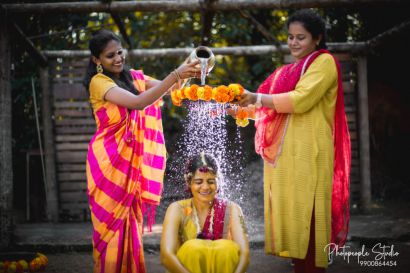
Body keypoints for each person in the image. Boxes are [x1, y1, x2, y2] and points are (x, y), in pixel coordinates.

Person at [237, 9, 351, 273]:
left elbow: (299, 101)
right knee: (293, 214)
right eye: (290, 37)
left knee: (310, 215)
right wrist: (236, 107)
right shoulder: (286, 71)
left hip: (311, 151)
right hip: (286, 156)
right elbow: (264, 105)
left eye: (301, 37)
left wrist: (254, 98)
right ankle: (301, 264)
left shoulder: (324, 63)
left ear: (317, 38)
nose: (294, 43)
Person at [83, 29, 200, 273]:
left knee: (130, 226)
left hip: (131, 163)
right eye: (109, 56)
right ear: (97, 60)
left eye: (119, 52)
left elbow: (171, 87)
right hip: (108, 164)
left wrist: (188, 67)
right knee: (111, 230)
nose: (117, 59)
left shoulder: (133, 77)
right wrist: (176, 74)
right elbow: (139, 103)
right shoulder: (99, 82)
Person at [160, 153, 250, 273]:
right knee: (192, 249)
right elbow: (166, 256)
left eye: (211, 181)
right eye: (198, 182)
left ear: (218, 182)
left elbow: (244, 254)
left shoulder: (233, 209)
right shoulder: (177, 209)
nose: (205, 187)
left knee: (227, 249)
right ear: (189, 182)